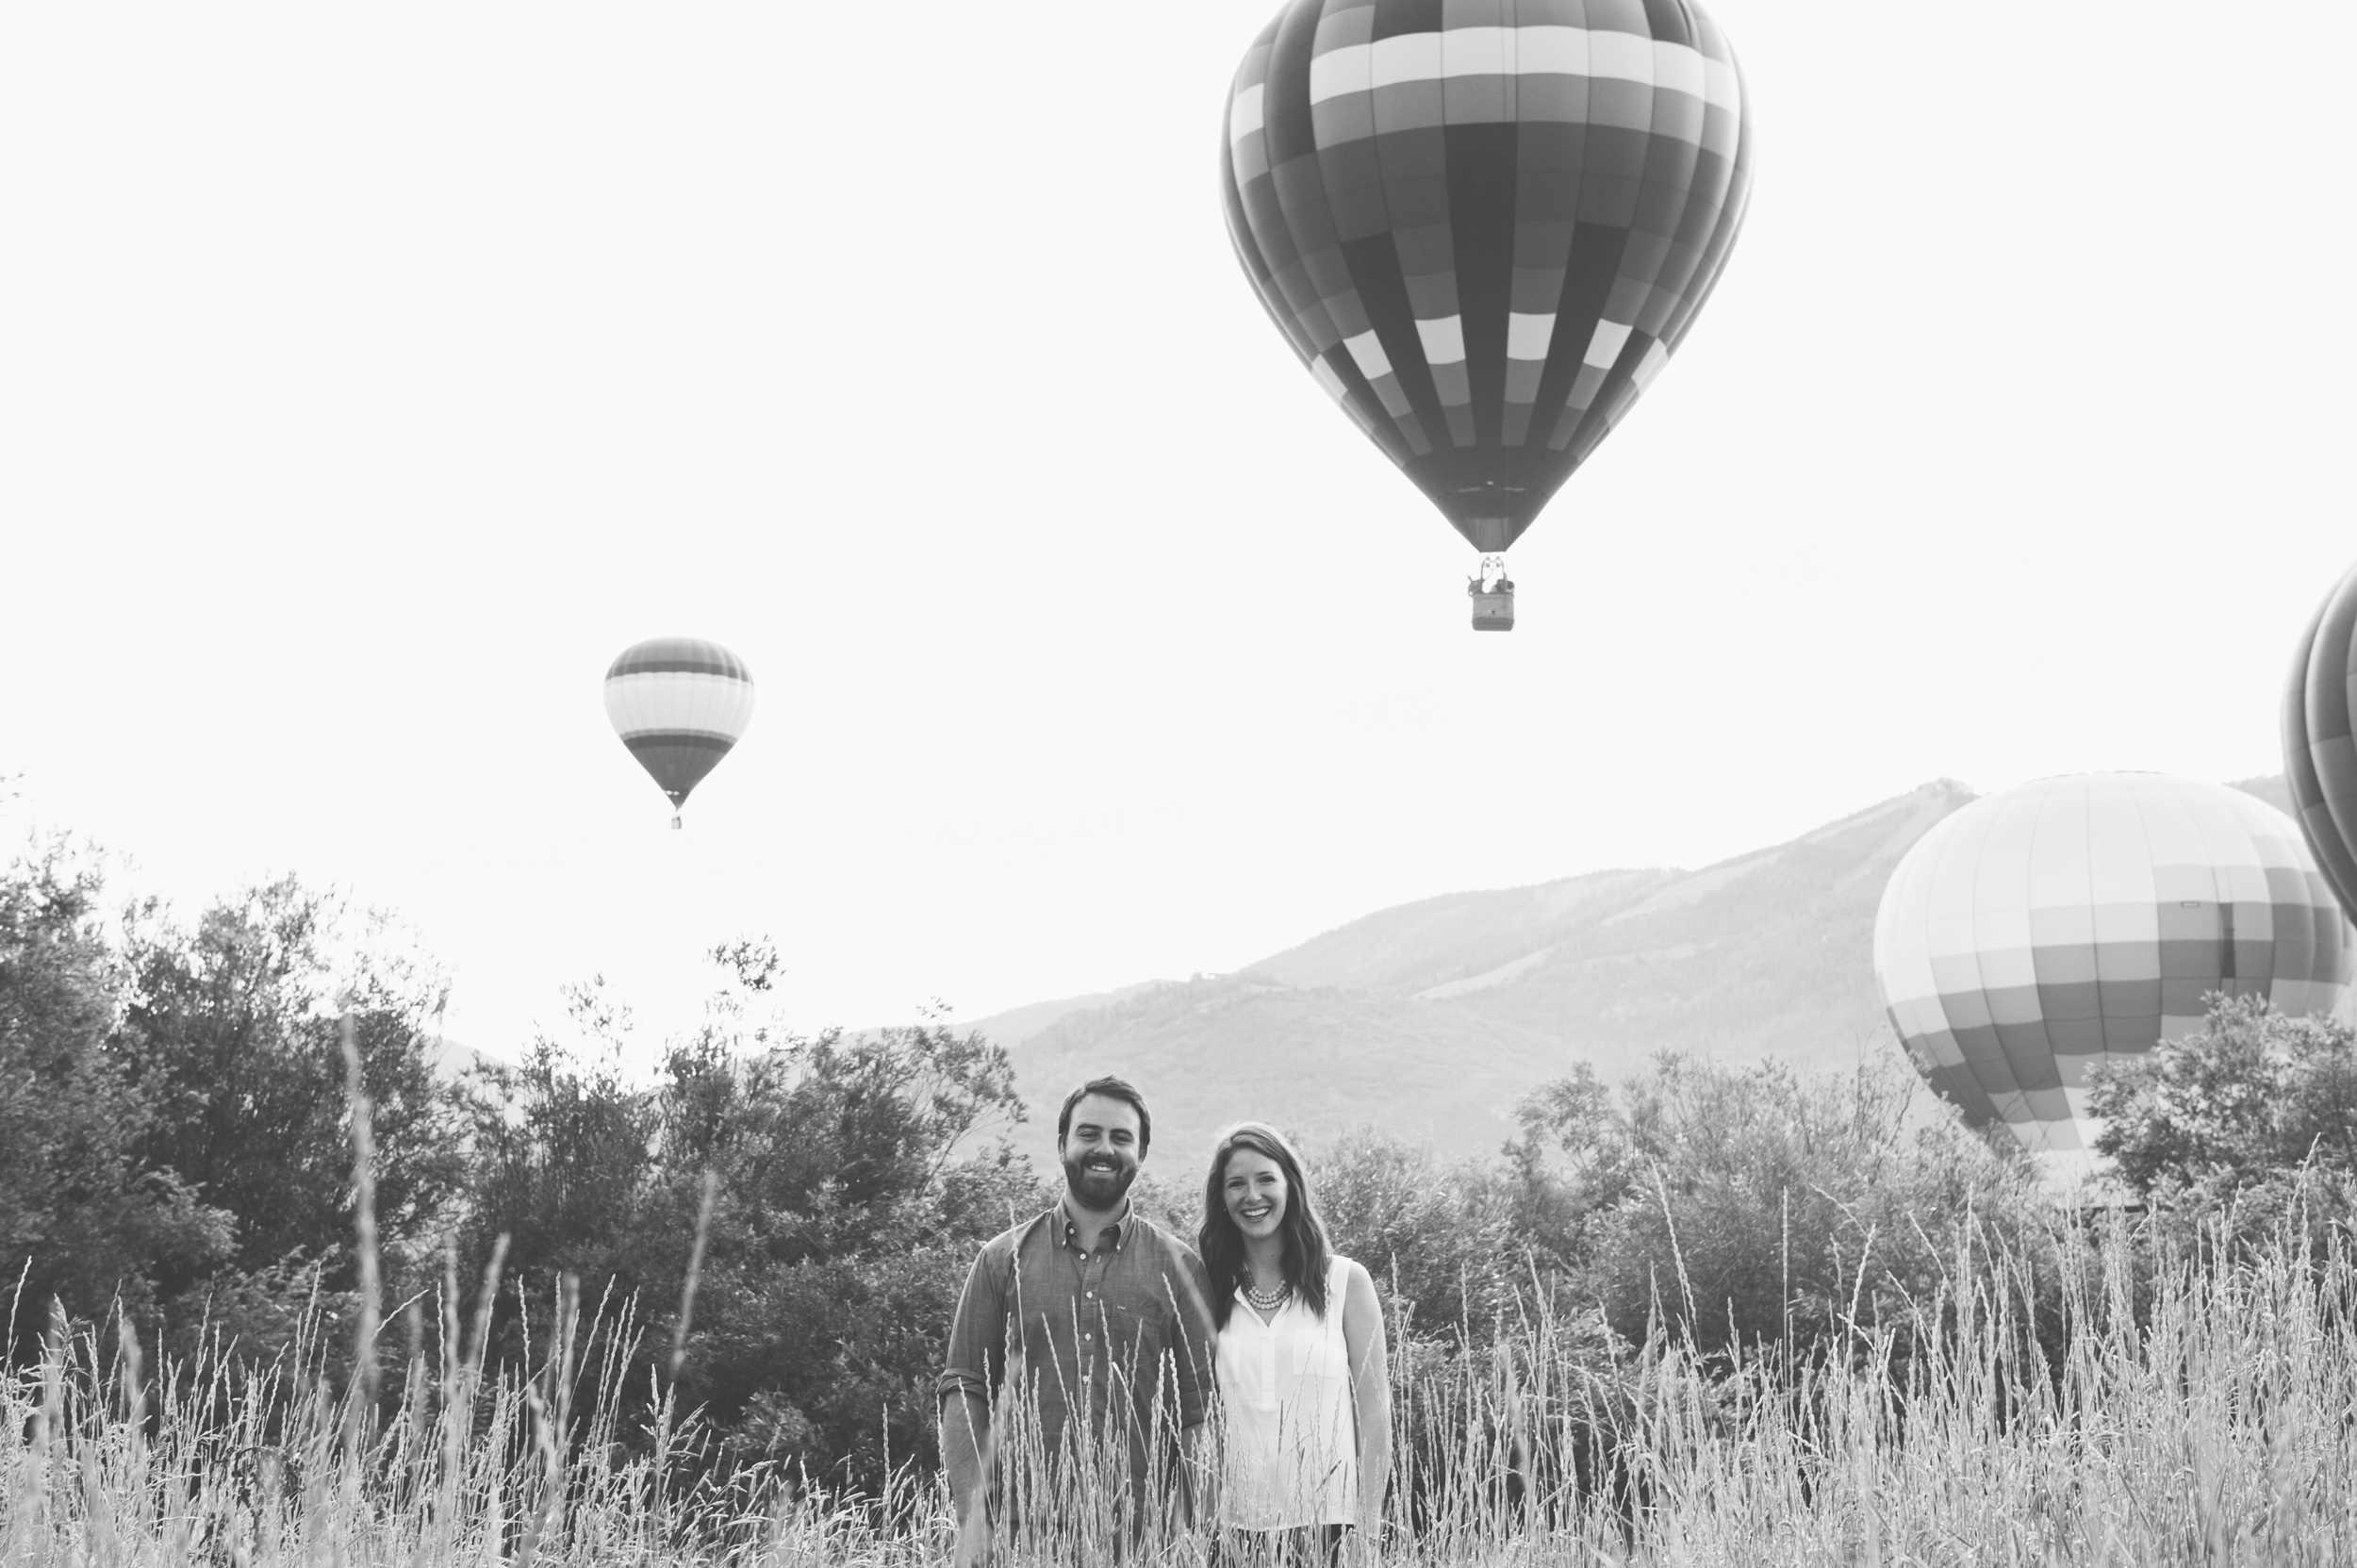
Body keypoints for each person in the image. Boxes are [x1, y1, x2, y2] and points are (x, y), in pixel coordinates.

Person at [939, 1076, 1215, 1566]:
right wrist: (974, 1527)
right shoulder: (1000, 1261)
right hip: (1020, 1541)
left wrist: (1189, 1536)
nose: (1103, 1148)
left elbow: (1199, 1416)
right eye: (1088, 1133)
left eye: (1120, 1137)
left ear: (1142, 1152)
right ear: (1062, 1143)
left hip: (1139, 1543)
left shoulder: (1181, 1268)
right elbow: (965, 1392)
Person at [1198, 1123, 1391, 1565]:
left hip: (1333, 1530)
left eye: (1266, 1178)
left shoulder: (1346, 1281)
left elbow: (1375, 1415)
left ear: (1291, 1186)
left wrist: (1370, 1530)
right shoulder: (1207, 1288)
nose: (1253, 1195)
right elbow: (1198, 1419)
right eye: (1236, 1184)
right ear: (1222, 1201)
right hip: (1231, 1535)